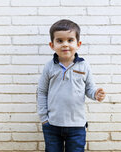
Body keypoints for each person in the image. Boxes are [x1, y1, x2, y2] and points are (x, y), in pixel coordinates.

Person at [37, 19, 106, 152]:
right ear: (52, 45)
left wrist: (96, 94)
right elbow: (42, 92)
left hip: (77, 126)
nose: (65, 44)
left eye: (70, 40)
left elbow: (89, 89)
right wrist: (44, 118)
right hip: (52, 125)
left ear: (78, 44)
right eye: (60, 41)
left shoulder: (84, 65)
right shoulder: (49, 67)